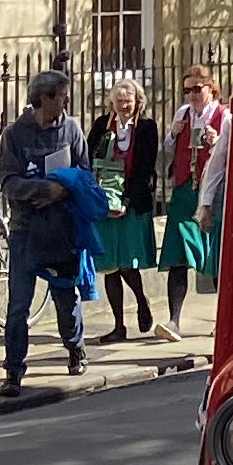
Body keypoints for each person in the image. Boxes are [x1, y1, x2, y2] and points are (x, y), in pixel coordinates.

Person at [0, 69, 92, 392]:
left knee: (66, 296)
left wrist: (62, 190)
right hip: (25, 229)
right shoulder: (15, 135)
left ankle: (75, 344)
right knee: (19, 304)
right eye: (61, 97)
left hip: (61, 228)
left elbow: (84, 173)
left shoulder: (72, 129)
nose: (65, 103)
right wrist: (40, 189)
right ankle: (13, 370)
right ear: (43, 98)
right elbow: (8, 182)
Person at [87, 75, 167, 342]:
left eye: (128, 101)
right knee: (110, 265)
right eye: (119, 101)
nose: (124, 106)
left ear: (137, 101)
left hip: (132, 200)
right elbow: (89, 158)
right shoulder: (102, 125)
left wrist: (126, 201)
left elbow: (145, 167)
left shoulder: (146, 127)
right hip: (105, 202)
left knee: (127, 262)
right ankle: (118, 325)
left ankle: (142, 301)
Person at [159, 69, 228, 326]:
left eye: (197, 89)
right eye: (187, 90)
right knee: (177, 253)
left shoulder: (224, 115)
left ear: (211, 88)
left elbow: (232, 150)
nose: (192, 95)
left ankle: (221, 321)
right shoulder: (182, 114)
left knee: (215, 257)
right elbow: (168, 146)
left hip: (213, 192)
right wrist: (173, 133)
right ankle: (173, 320)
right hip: (184, 189)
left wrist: (217, 140)